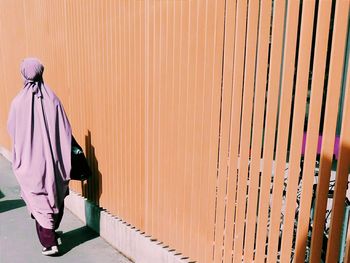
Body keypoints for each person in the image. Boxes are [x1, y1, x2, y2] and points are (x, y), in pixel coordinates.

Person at [7, 58, 72, 256]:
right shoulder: (53, 99)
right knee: (55, 194)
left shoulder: (17, 102)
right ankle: (50, 232)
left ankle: (48, 242)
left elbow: (12, 130)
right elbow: (65, 130)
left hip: (29, 161)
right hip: (54, 161)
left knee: (37, 198)